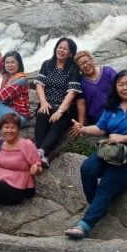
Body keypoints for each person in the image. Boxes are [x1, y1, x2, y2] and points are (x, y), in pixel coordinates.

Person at [64, 70, 127, 239]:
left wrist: (123, 137)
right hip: (111, 153)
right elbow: (102, 128)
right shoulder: (112, 106)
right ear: (115, 87)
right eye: (120, 84)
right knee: (87, 168)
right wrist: (84, 128)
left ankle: (84, 226)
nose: (125, 88)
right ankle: (97, 207)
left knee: (107, 184)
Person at [34, 37, 81, 166]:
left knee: (57, 121)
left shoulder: (73, 68)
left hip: (65, 107)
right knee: (41, 114)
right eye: (59, 47)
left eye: (65, 49)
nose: (61, 50)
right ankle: (41, 154)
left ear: (71, 53)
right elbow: (39, 85)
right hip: (48, 103)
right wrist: (43, 102)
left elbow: (72, 92)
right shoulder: (47, 64)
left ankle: (42, 151)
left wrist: (60, 111)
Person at [69, 51, 116, 135]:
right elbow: (81, 103)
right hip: (97, 115)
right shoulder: (80, 82)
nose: (85, 65)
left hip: (115, 108)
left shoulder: (108, 71)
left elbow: (120, 87)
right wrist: (81, 124)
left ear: (92, 60)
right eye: (81, 64)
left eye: (86, 61)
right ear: (78, 68)